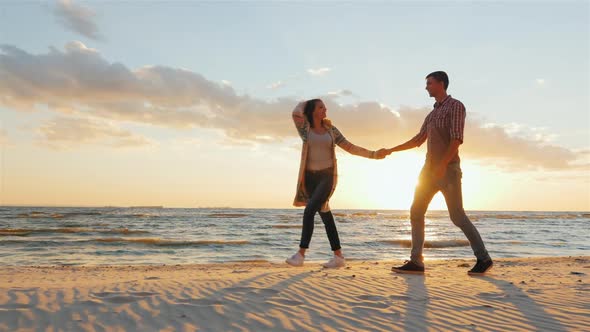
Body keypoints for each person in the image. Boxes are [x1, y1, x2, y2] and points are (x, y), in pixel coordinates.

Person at [387, 71, 493, 275]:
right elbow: (418, 139)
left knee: (457, 216)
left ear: (441, 84)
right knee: (416, 211)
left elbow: (456, 139)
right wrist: (392, 149)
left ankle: (484, 258)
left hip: (448, 170)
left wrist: (442, 165)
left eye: (429, 83)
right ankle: (416, 262)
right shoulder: (432, 114)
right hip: (427, 171)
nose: (426, 87)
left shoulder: (456, 106)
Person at [287, 99, 388, 268]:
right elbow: (296, 112)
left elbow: (350, 147)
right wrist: (307, 102)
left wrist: (374, 154)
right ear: (312, 111)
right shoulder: (305, 129)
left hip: (327, 177)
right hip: (310, 178)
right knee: (326, 216)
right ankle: (338, 257)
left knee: (310, 209)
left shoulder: (331, 131)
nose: (325, 109)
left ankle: (301, 254)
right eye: (321, 107)